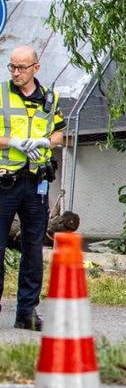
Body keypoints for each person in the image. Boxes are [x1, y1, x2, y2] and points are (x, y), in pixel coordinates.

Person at [0, 46, 64, 331]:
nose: (16, 72)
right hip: (5, 182)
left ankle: (27, 313)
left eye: (21, 68)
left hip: (35, 183)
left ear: (36, 68)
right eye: (12, 67)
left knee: (33, 250)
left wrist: (44, 143)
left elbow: (59, 133)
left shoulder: (50, 98)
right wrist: (11, 142)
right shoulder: (1, 93)